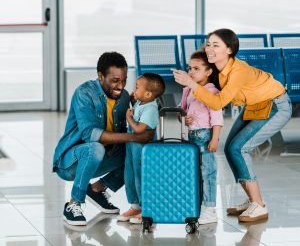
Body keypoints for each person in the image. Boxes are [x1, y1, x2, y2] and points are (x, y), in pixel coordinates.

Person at [173, 29, 292, 222]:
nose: (210, 48)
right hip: (255, 106)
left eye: (216, 45)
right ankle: (251, 199)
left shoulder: (239, 71)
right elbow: (204, 94)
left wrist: (191, 83)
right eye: (209, 44)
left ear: (229, 50)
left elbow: (217, 102)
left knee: (240, 147)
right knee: (230, 149)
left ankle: (259, 204)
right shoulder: (218, 70)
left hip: (276, 105)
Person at [52, 52, 154, 226]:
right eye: (115, 81)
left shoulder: (123, 97)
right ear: (100, 76)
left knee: (136, 152)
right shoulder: (84, 93)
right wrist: (133, 136)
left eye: (124, 80)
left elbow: (131, 128)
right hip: (71, 162)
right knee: (96, 147)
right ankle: (74, 203)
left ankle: (97, 190)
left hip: (102, 159)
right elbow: (90, 135)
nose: (121, 86)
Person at [178, 51, 223, 225]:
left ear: (208, 72)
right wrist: (184, 117)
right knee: (194, 172)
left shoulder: (212, 92)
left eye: (196, 68)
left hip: (206, 136)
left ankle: (210, 209)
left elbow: (217, 118)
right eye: (189, 68)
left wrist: (215, 139)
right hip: (191, 136)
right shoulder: (188, 90)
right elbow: (181, 110)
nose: (191, 72)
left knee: (208, 172)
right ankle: (197, 204)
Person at [117, 73, 165, 224]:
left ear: (148, 94)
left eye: (137, 87)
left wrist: (129, 119)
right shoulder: (141, 103)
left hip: (143, 150)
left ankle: (147, 208)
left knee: (141, 177)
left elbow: (139, 129)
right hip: (132, 148)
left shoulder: (150, 108)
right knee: (129, 175)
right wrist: (134, 98)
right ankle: (135, 205)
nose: (134, 89)